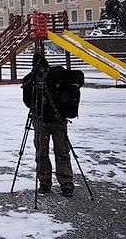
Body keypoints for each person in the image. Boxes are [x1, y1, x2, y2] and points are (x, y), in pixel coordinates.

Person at [21, 53, 77, 197]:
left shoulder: (58, 74)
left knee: (62, 152)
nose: (43, 74)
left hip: (58, 120)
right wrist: (33, 85)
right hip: (40, 121)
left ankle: (66, 183)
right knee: (41, 153)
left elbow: (79, 77)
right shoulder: (30, 80)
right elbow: (28, 102)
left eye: (45, 71)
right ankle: (44, 182)